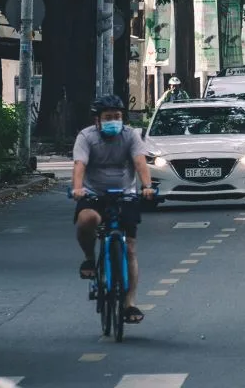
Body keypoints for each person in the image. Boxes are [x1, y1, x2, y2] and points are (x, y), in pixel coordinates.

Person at [72, 95, 156, 324]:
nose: (113, 121)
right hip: (93, 194)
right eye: (108, 117)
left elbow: (140, 162)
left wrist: (147, 187)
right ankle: (89, 258)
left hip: (125, 194)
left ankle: (129, 304)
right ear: (97, 120)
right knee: (87, 219)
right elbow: (80, 165)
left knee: (129, 248)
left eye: (117, 117)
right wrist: (78, 189)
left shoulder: (131, 136)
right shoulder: (86, 137)